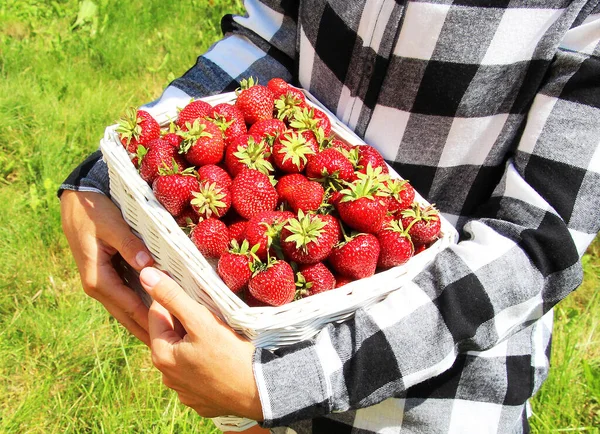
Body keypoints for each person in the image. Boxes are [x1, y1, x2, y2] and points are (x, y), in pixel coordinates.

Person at [59, 1, 600, 432]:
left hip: (433, 388)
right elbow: (273, 35)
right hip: (248, 331)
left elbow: (534, 239)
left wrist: (278, 385)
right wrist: (105, 178)